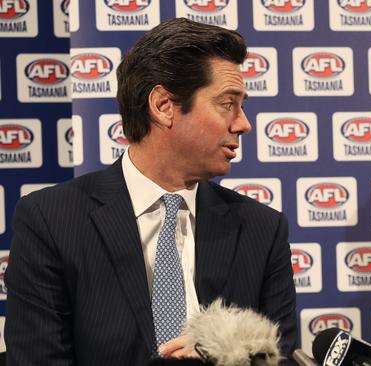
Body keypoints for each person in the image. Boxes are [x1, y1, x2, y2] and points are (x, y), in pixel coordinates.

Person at [5, 18, 297, 366]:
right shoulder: (51, 220)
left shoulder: (261, 230)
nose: (243, 123)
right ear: (162, 106)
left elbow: (282, 359)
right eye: (227, 103)